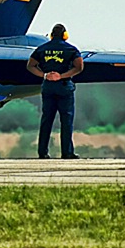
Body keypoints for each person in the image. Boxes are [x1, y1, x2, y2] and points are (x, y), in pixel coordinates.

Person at [26, 23, 84, 159]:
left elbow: (30, 65)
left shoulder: (42, 49)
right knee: (66, 120)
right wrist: (62, 76)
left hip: (48, 87)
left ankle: (42, 152)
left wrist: (44, 75)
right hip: (64, 87)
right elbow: (79, 67)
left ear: (51, 35)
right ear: (65, 35)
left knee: (46, 120)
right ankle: (67, 152)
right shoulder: (71, 49)